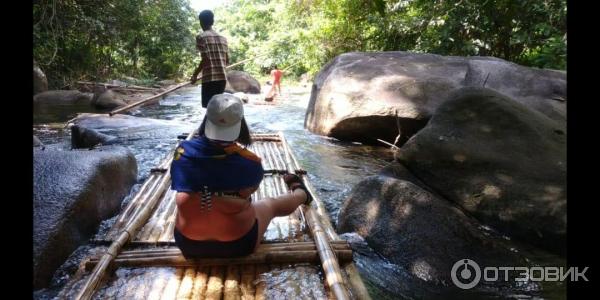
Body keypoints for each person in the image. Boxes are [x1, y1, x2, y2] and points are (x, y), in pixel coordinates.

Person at [170, 94, 311, 258]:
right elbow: (248, 192)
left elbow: (182, 181)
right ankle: (301, 194)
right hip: (239, 243)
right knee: (269, 204)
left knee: (196, 199)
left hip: (188, 244)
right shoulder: (251, 162)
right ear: (240, 125)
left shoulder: (182, 153)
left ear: (206, 120)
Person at [191, 10, 229, 108]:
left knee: (208, 107)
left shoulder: (201, 37)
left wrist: (195, 75)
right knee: (217, 108)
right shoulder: (223, 38)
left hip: (209, 79)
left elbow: (205, 60)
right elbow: (227, 61)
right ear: (212, 21)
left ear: (201, 22)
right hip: (222, 79)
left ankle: (207, 124)